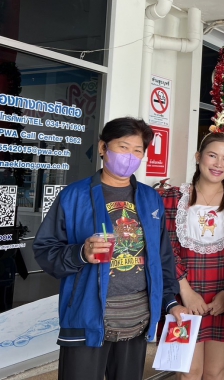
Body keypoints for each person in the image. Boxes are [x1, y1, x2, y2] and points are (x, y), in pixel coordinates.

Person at [33, 117, 188, 380]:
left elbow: (162, 257)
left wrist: (170, 302)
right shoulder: (74, 196)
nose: (130, 157)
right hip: (87, 316)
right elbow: (44, 250)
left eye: (137, 150)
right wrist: (81, 253)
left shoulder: (150, 199)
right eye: (123, 147)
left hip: (137, 318)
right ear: (103, 147)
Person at [161, 131, 224, 380]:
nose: (218, 164)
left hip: (222, 298)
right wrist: (185, 292)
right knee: (188, 371)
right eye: (212, 156)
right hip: (183, 296)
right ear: (198, 157)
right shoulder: (172, 198)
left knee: (215, 372)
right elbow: (167, 249)